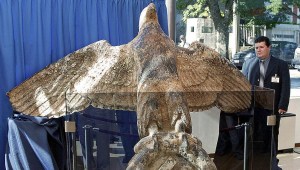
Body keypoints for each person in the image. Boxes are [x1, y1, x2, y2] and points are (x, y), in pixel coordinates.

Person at [242, 36, 290, 168]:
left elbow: (286, 86)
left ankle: (272, 162)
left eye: (261, 47)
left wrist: (282, 105)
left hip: (273, 108)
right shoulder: (248, 64)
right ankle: (257, 162)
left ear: (269, 47)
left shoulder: (280, 65)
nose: (258, 50)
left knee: (272, 135)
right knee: (255, 135)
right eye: (256, 47)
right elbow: (244, 86)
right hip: (254, 108)